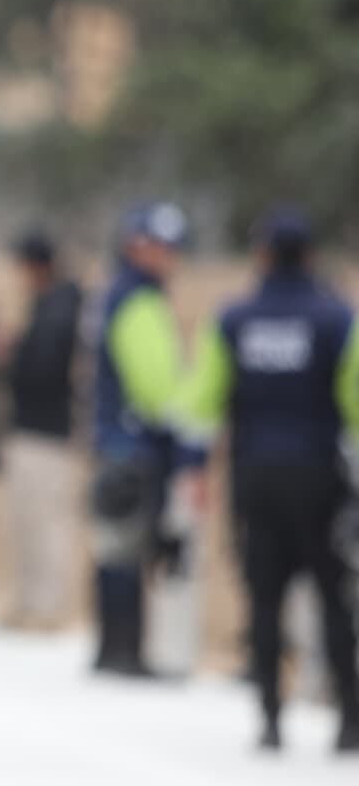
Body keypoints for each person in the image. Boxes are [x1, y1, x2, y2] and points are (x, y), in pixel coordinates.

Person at [176, 206, 359, 751]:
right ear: (309, 255)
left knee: (264, 596)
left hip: (255, 478)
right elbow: (354, 402)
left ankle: (271, 719)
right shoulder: (337, 319)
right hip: (319, 477)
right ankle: (349, 721)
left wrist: (193, 469)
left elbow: (202, 403)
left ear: (262, 255)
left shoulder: (234, 318)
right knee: (333, 596)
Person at [89, 202, 189, 676]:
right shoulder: (138, 299)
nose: (168, 256)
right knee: (126, 546)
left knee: (115, 545)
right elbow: (155, 386)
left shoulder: (119, 292)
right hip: (134, 442)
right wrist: (182, 421)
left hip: (115, 438)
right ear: (136, 245)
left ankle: (112, 648)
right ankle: (124, 652)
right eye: (160, 245)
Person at [2, 229, 83, 629]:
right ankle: (31, 603)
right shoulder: (49, 305)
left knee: (47, 523)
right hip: (32, 425)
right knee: (26, 521)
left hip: (47, 429)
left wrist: (12, 356)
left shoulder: (60, 309)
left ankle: (48, 608)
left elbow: (46, 370)